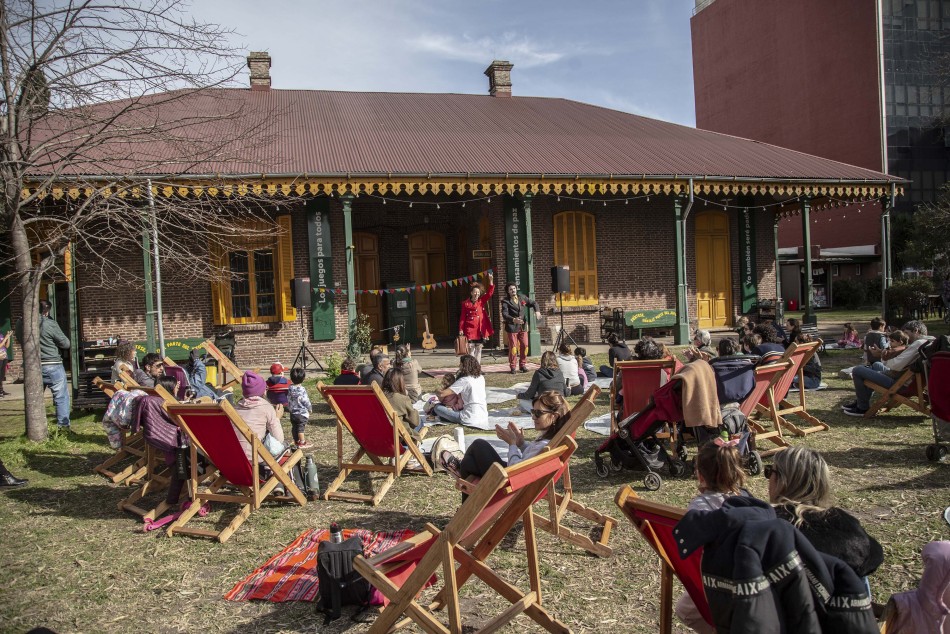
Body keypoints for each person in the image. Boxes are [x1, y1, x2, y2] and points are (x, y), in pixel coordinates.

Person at [767, 446, 883, 581]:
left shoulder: (771, 523)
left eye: (769, 472)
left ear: (782, 480)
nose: (768, 479)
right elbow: (875, 554)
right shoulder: (844, 521)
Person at [675, 438, 752, 634]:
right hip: (750, 580)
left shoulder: (699, 510)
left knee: (684, 610)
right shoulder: (748, 500)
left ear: (700, 475)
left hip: (715, 582)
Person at [439, 390, 569, 482]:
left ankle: (460, 468)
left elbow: (516, 468)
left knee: (479, 445)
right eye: (533, 412)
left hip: (510, 481)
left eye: (538, 413)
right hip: (516, 478)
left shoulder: (544, 444)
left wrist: (512, 444)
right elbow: (531, 458)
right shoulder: (550, 440)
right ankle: (462, 469)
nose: (533, 417)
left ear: (554, 416)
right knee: (469, 464)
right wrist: (521, 443)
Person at [843, 320, 933, 417]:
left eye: (906, 333)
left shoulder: (919, 344)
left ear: (916, 331)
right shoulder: (930, 342)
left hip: (900, 384)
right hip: (906, 379)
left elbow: (895, 365)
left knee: (858, 370)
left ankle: (862, 408)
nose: (904, 335)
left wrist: (882, 355)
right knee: (876, 364)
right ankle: (861, 401)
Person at [20, 300, 72, 429]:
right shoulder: (48, 323)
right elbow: (66, 344)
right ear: (46, 311)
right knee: (61, 396)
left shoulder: (20, 323)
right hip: (52, 363)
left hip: (31, 364)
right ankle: (63, 427)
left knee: (33, 398)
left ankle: (34, 429)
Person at [234, 371, 284, 462]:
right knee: (284, 447)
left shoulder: (234, 409)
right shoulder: (266, 407)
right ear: (262, 390)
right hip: (255, 459)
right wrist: (277, 418)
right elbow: (279, 439)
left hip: (234, 458)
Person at [432, 354, 487, 426]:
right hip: (483, 416)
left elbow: (442, 394)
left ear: (464, 366)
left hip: (469, 418)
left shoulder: (464, 380)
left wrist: (436, 390)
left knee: (437, 407)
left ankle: (446, 417)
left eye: (460, 364)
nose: (459, 366)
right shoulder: (481, 377)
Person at [500, 281, 541, 374]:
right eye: (511, 289)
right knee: (514, 348)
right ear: (508, 291)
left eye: (514, 288)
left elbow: (534, 303)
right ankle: (513, 366)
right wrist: (514, 319)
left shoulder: (522, 297)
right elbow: (504, 314)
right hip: (512, 327)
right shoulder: (505, 301)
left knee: (525, 346)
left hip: (523, 326)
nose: (513, 290)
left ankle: (522, 365)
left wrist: (537, 311)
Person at [458, 271, 495, 364]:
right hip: (469, 329)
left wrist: (491, 281)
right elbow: (462, 317)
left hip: (480, 329)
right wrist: (461, 329)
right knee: (471, 350)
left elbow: (489, 294)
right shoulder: (465, 303)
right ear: (471, 293)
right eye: (475, 292)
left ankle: (477, 367)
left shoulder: (481, 301)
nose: (477, 294)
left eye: (478, 293)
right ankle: (471, 367)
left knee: (479, 349)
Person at [382, 368, 420, 433]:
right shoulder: (401, 398)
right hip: (398, 434)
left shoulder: (378, 396)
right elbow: (415, 422)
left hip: (380, 432)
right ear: (400, 382)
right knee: (419, 421)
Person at [287, 367, 312, 448]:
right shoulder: (302, 389)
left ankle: (296, 440)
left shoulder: (290, 388)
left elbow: (288, 399)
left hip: (293, 413)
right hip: (301, 413)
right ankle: (302, 442)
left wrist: (289, 408)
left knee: (294, 427)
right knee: (301, 428)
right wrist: (309, 408)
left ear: (291, 378)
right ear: (303, 378)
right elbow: (305, 400)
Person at [0, 330, 11, 398]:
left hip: (4, 356)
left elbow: (6, 346)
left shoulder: (1, 334)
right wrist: (5, 338)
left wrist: (8, 337)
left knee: (2, 375)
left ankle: (1, 390)